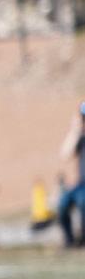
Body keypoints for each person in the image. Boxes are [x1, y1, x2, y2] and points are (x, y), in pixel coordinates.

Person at [56, 102, 85, 248]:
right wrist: (75, 131)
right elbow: (64, 155)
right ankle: (69, 241)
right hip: (80, 185)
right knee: (63, 202)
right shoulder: (80, 138)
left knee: (83, 202)